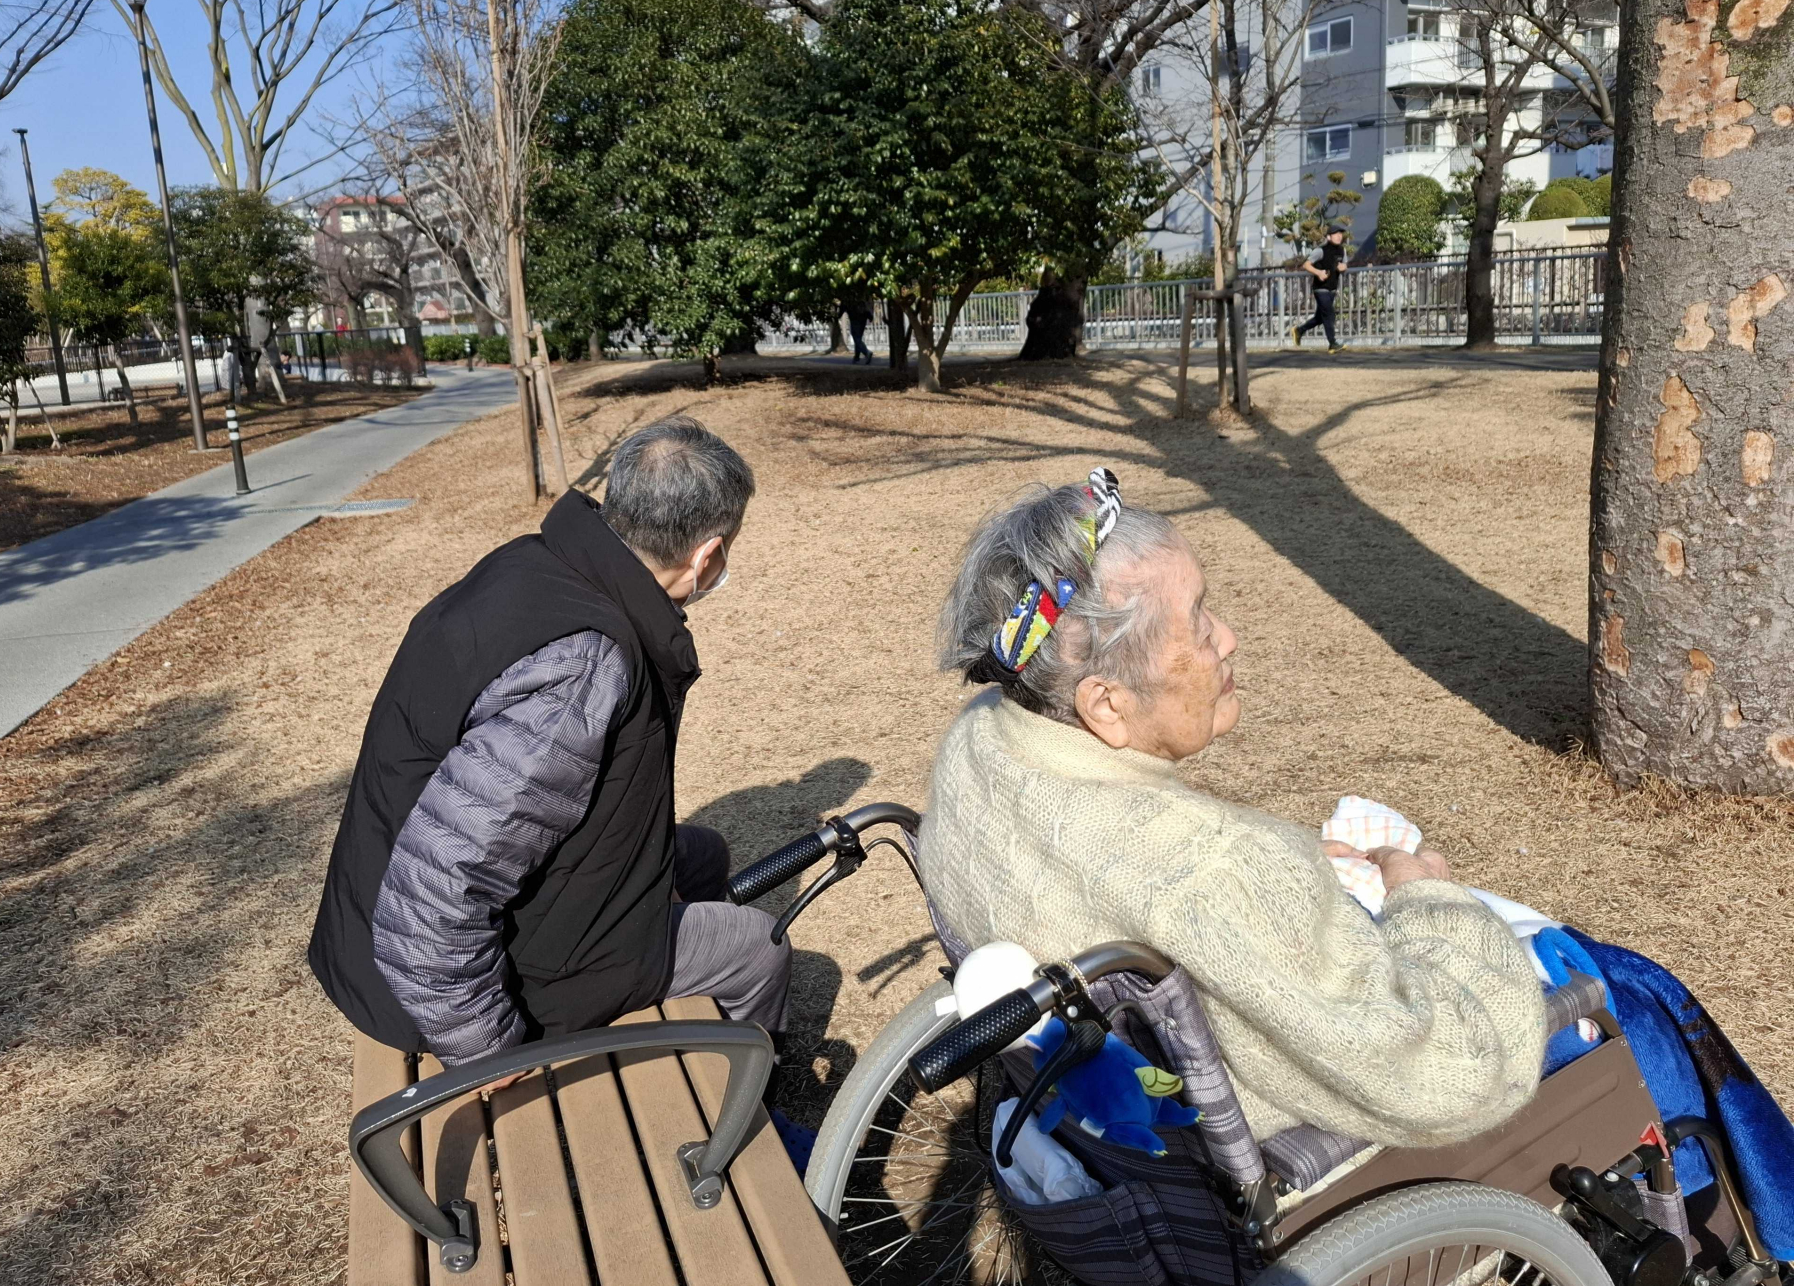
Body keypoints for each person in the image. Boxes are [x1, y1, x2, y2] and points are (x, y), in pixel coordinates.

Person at [921, 472, 1547, 1150]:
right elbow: (1453, 1077)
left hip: (1093, 1106)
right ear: (1107, 704)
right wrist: (1427, 898)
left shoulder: (978, 741)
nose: (1229, 637)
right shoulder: (1218, 869)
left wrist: (1291, 879)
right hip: (1251, 1158)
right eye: (1197, 622)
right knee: (1612, 1000)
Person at [309, 415, 814, 1164]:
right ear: (707, 555)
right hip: (437, 982)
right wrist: (490, 1051)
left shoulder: (539, 563)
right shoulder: (585, 661)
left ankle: (694, 1067)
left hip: (394, 908)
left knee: (702, 856)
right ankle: (744, 1142)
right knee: (756, 951)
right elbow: (435, 897)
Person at [1294, 226, 1348, 351]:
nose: (1339, 236)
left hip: (1332, 288)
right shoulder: (1320, 250)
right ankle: (1332, 343)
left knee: (1320, 318)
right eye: (1336, 234)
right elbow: (1306, 265)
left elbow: (1344, 265)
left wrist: (1343, 267)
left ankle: (1299, 330)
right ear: (1328, 236)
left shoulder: (1342, 250)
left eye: (1340, 234)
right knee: (1329, 314)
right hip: (1320, 288)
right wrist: (1318, 272)